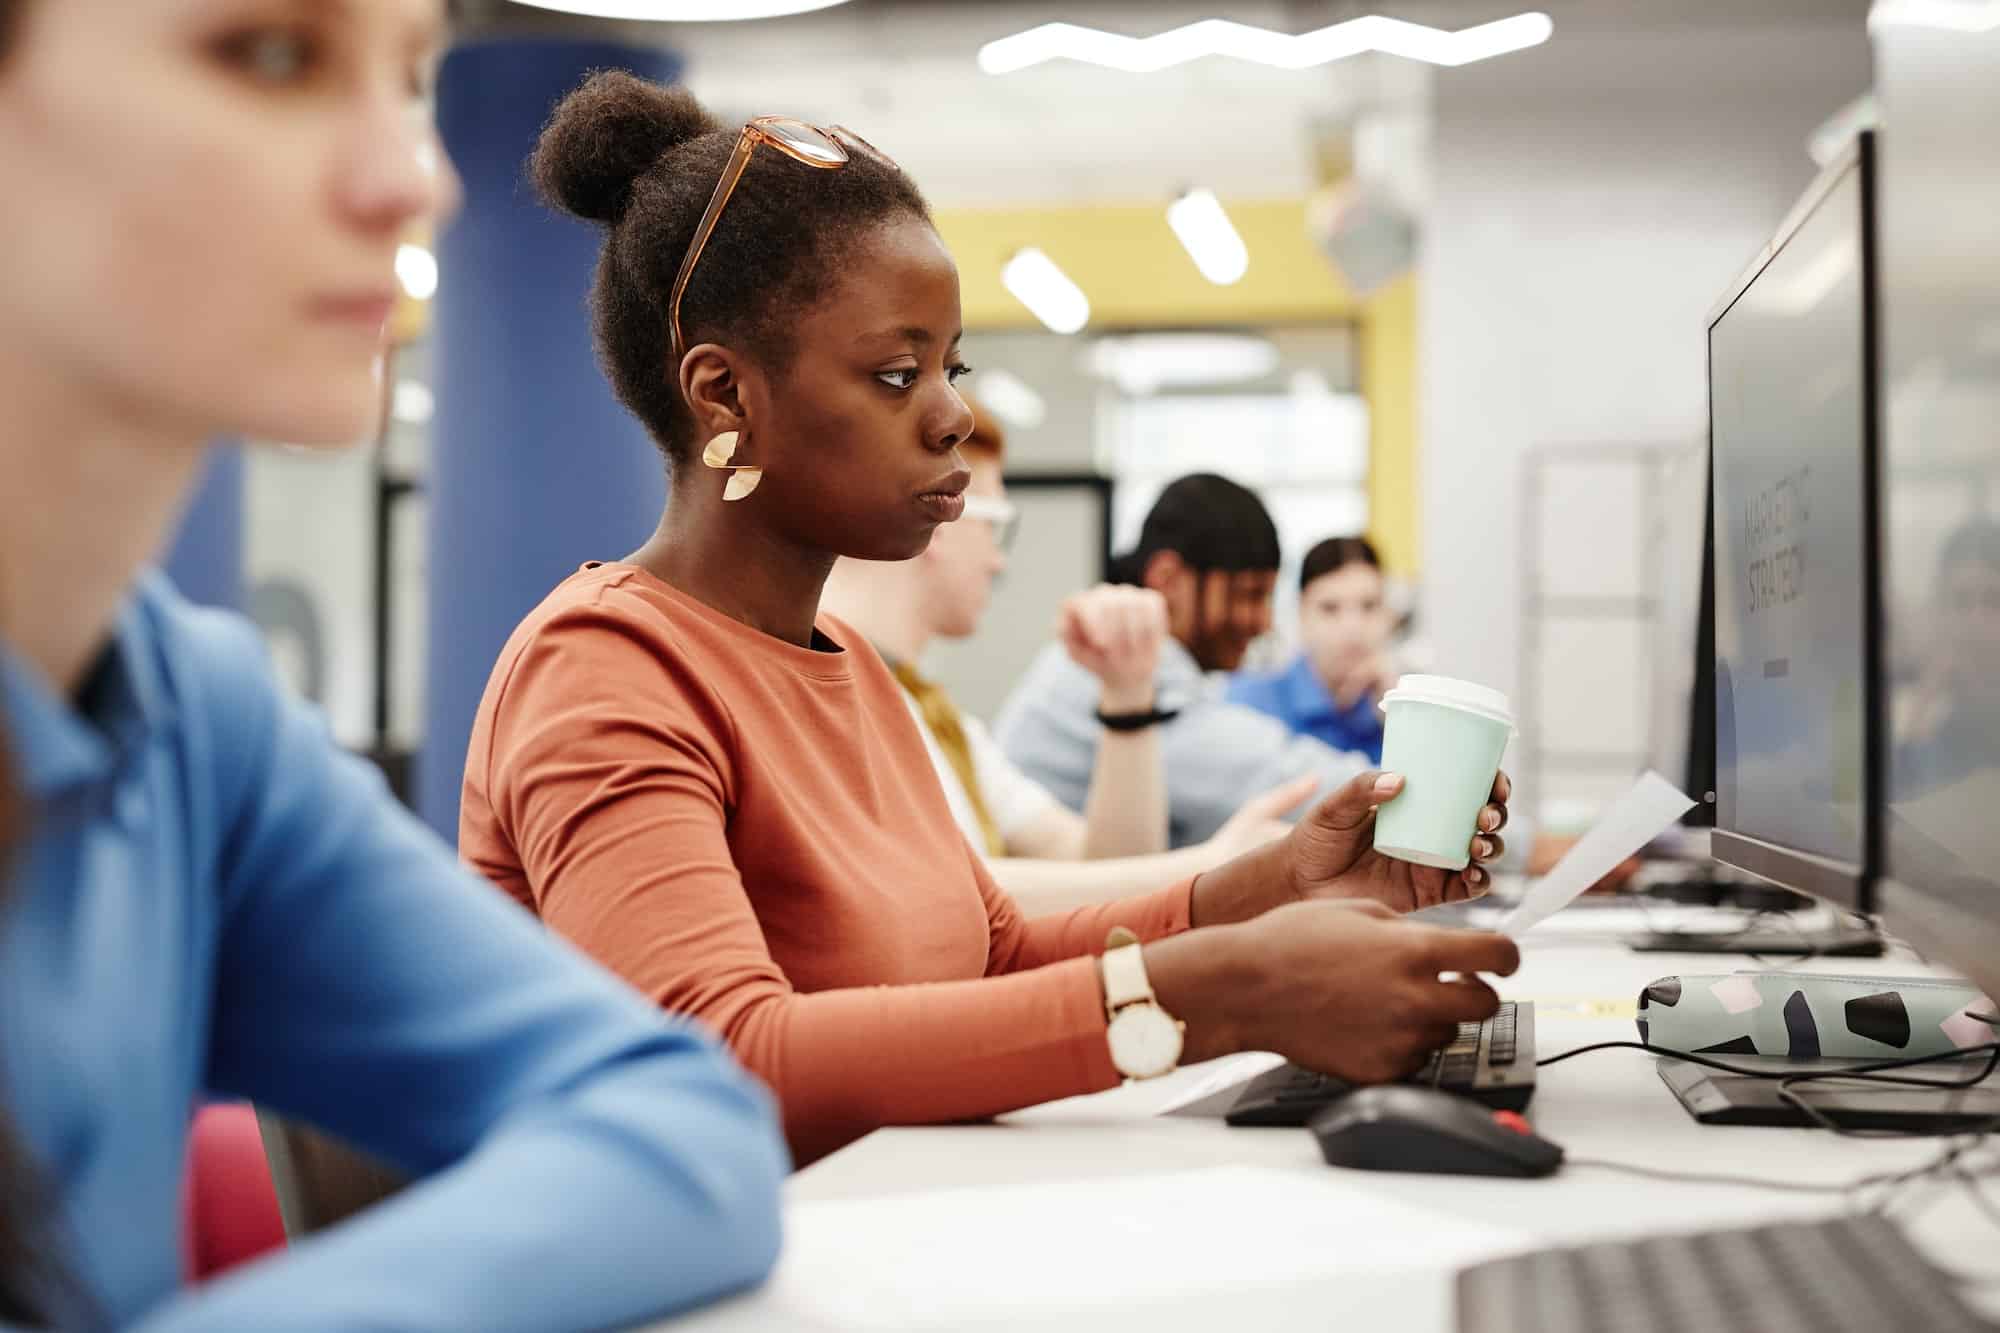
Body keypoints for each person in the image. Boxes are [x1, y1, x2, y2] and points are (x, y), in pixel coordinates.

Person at [459, 70, 1520, 1171]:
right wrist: (1223, 995)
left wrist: (1279, 885)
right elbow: (725, 1059)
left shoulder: (850, 667)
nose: (955, 412)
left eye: (948, 367)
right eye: (894, 371)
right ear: (724, 396)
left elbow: (993, 951)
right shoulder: (601, 668)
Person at [0, 4, 785, 1328]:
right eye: (269, 54)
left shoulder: (192, 722)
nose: (413, 175)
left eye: (408, 77)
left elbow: (684, 1122)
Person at [818, 397, 1307, 912]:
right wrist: (1209, 867)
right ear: (937, 514)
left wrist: (1129, 695)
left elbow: (1106, 868)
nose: (997, 561)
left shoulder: (942, 721)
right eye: (995, 524)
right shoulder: (826, 698)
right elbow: (935, 895)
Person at [997, 475, 1386, 848]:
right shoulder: (1111, 662)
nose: (1263, 622)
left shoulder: (1151, 669)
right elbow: (1282, 781)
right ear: (1167, 579)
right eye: (1248, 595)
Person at [1227, 536, 1397, 765]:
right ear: (1301, 613)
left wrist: (1401, 715)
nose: (1353, 627)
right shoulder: (1245, 704)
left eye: (1369, 606)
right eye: (1330, 608)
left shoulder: (1389, 713)